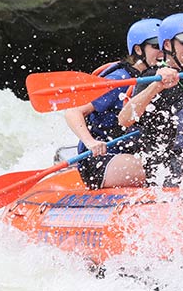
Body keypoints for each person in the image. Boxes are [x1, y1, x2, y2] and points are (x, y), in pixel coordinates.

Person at [118, 12, 183, 186]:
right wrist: (157, 86)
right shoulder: (152, 77)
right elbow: (124, 119)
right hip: (165, 163)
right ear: (167, 45)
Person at [64, 18, 162, 188]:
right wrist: (90, 142)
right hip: (100, 158)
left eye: (164, 45)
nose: (162, 52)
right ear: (138, 50)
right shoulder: (119, 79)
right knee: (156, 168)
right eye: (155, 46)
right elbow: (73, 111)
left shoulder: (158, 78)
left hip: (129, 153)